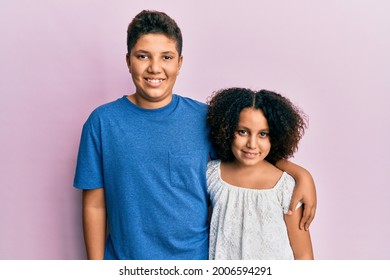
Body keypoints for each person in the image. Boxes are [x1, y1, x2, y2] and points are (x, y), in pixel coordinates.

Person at [73, 10, 316, 260]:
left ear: (179, 62)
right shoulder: (102, 123)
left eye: (166, 57)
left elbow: (247, 153)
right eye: (143, 56)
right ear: (128, 61)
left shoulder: (205, 118)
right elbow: (94, 204)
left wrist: (300, 174)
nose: (155, 68)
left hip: (195, 262)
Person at [206, 87, 314, 259]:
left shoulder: (286, 187)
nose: (252, 144)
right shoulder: (212, 175)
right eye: (243, 132)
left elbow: (304, 255)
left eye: (263, 134)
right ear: (226, 129)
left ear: (276, 136)